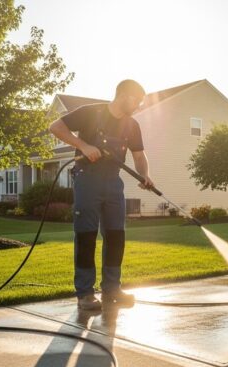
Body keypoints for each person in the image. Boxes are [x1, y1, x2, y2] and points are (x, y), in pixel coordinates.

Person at [49, 79, 154, 311]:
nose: (137, 105)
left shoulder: (132, 125)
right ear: (124, 95)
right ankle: (85, 293)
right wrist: (83, 145)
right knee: (86, 236)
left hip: (113, 183)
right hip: (87, 179)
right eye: (136, 100)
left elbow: (139, 156)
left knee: (116, 236)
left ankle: (112, 288)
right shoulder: (90, 113)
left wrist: (144, 175)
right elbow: (55, 127)